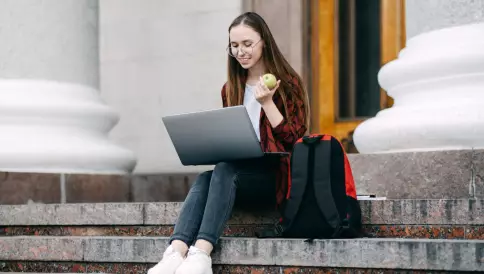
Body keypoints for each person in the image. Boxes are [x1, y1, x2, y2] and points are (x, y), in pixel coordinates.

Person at [148, 11, 310, 274]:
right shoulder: (231, 87)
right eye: (234, 46)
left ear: (264, 42)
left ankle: (201, 253)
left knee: (224, 170)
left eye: (247, 44)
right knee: (205, 177)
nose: (241, 52)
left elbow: (294, 138)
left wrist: (267, 103)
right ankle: (175, 253)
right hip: (239, 174)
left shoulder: (287, 83)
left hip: (275, 178)